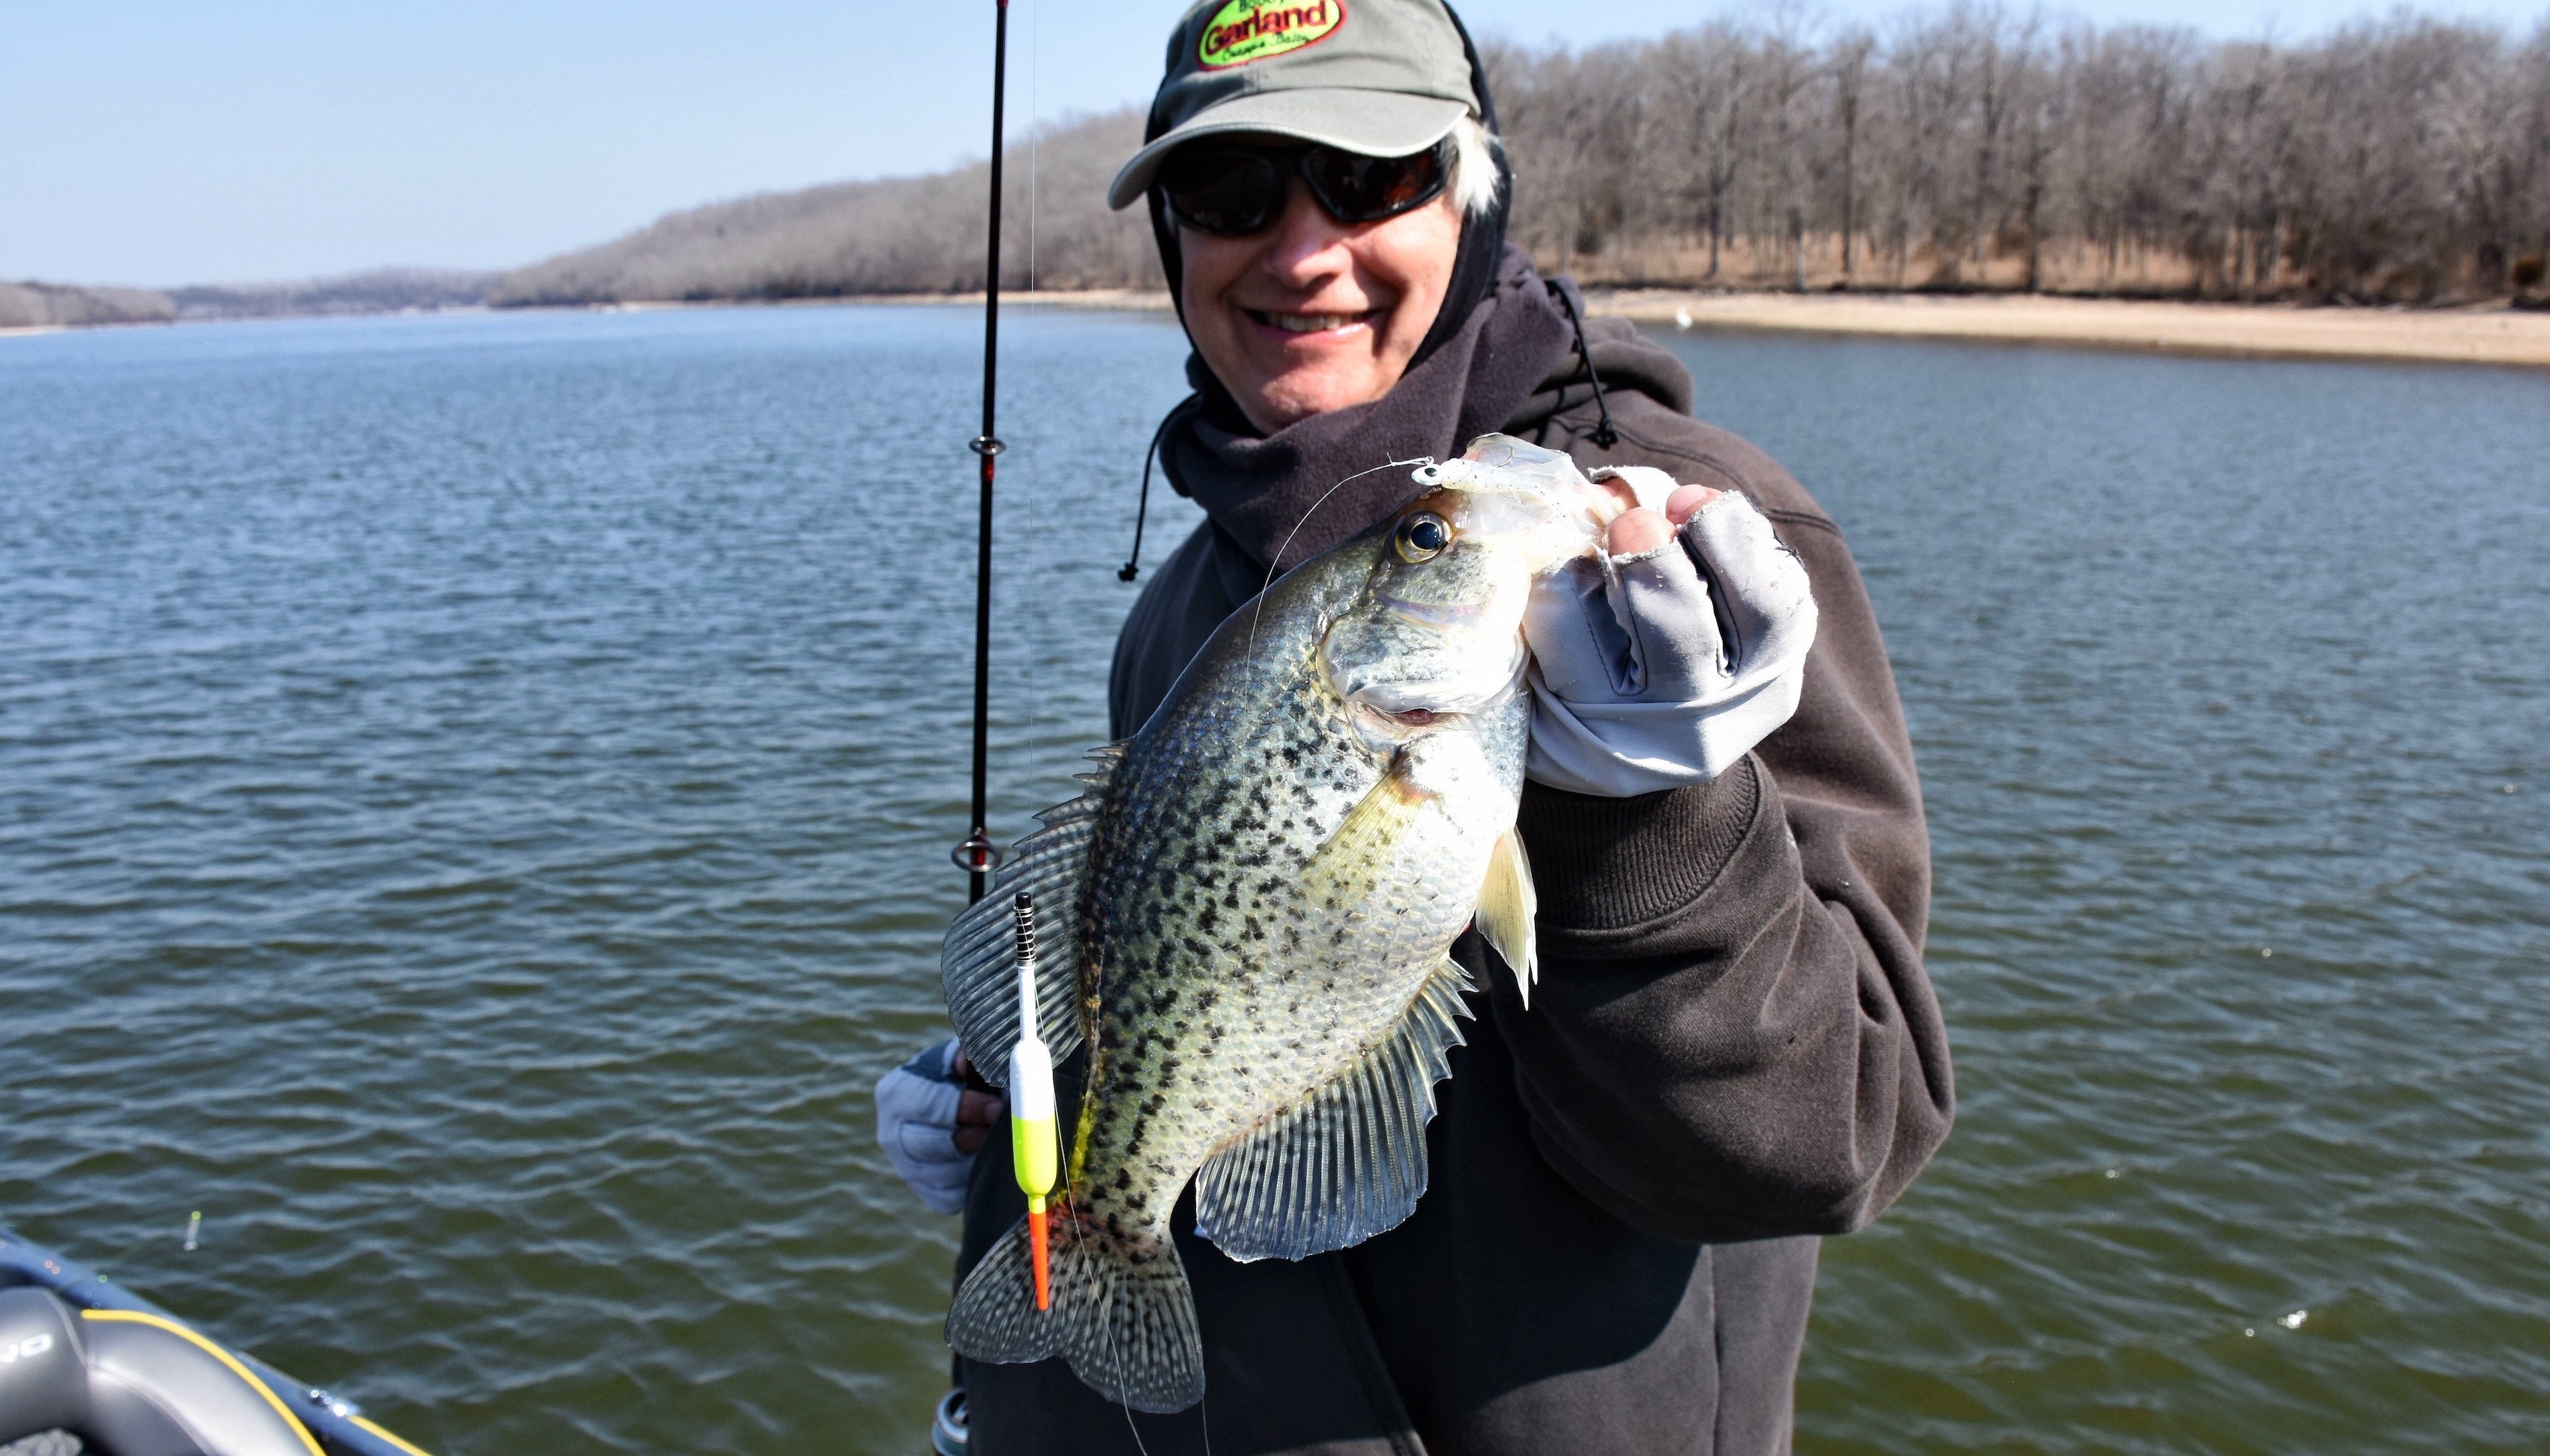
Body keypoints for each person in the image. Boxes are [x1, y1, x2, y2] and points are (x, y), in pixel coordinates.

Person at [873, 1, 1952, 1449]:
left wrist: (1649, 822)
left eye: (1368, 179)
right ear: (1171, 236)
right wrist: (1030, 1112)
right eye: (1230, 190)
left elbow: (1834, 1136)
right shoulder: (1185, 599)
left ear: (1471, 199)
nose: (1302, 248)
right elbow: (1185, 950)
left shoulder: (1684, 558)